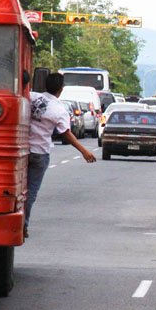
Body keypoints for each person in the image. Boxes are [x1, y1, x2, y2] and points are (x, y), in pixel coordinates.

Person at [25, 73, 96, 238]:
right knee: (30, 193)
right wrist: (84, 151)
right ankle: (23, 224)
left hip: (21, 150)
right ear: (61, 90)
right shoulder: (58, 110)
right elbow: (66, 133)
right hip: (39, 153)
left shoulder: (32, 97)